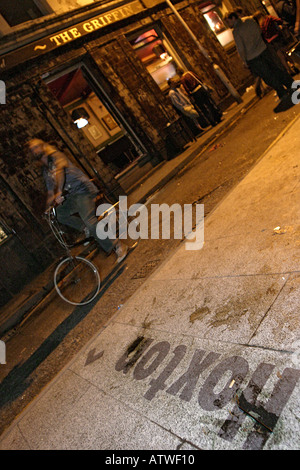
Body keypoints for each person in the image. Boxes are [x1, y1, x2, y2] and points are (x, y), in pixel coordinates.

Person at [28, 138, 128, 263]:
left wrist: (59, 191)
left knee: (90, 220)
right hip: (71, 197)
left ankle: (118, 245)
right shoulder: (46, 170)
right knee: (59, 214)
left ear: (43, 146)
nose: (35, 150)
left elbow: (60, 172)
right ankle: (85, 229)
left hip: (83, 190)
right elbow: (49, 192)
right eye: (32, 149)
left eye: (37, 147)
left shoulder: (56, 156)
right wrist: (48, 208)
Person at [224, 10, 295, 112]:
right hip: (263, 49)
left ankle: (282, 92)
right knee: (276, 68)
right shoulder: (249, 19)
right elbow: (259, 31)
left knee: (268, 76)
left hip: (253, 57)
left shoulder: (236, 31)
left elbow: (240, 48)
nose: (228, 24)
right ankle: (290, 84)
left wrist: (244, 60)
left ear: (233, 18)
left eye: (228, 21)